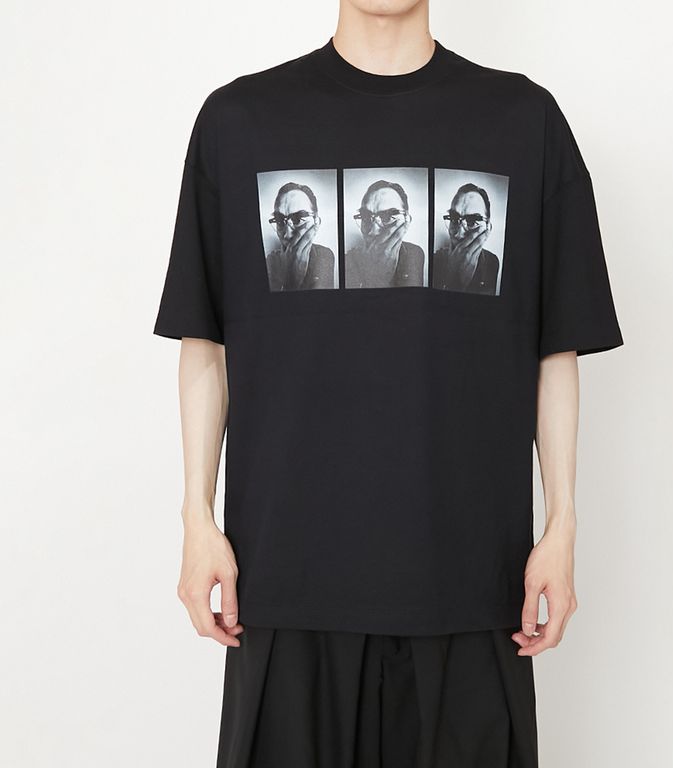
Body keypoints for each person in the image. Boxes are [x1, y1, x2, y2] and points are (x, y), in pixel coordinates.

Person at [152, 2, 624, 766]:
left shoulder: (523, 122)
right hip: (287, 582)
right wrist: (196, 518)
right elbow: (204, 338)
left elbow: (554, 346)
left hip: (470, 587)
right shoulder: (239, 123)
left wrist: (563, 525)